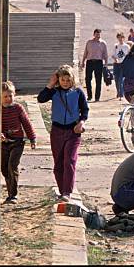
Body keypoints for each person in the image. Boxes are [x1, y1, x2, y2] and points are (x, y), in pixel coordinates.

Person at [37, 65, 89, 202]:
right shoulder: (54, 92)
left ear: (72, 79)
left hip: (73, 132)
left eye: (68, 80)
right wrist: (50, 83)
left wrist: (82, 122)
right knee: (58, 164)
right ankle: (62, 191)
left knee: (69, 161)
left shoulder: (78, 92)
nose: (65, 82)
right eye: (62, 80)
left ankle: (67, 192)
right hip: (57, 131)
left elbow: (85, 110)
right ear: (58, 79)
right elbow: (41, 99)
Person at [1, 81, 37, 205]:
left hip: (17, 142)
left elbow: (26, 123)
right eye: (5, 96)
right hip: (3, 143)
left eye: (10, 96)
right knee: (4, 169)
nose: (8, 99)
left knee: (12, 166)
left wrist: (32, 139)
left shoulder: (17, 108)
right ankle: (9, 191)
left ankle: (13, 195)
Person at [80, 29, 108, 102]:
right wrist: (83, 62)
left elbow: (105, 55)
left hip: (99, 62)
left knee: (98, 80)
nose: (98, 35)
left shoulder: (103, 43)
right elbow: (85, 53)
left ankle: (97, 97)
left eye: (99, 34)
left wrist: (106, 64)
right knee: (88, 79)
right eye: (96, 34)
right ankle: (89, 96)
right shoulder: (89, 42)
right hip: (89, 62)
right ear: (94, 34)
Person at [112, 32, 131, 101]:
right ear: (117, 38)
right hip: (116, 64)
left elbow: (129, 56)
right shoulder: (116, 46)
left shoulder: (127, 46)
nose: (120, 39)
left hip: (124, 65)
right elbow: (113, 55)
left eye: (122, 37)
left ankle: (121, 94)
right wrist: (115, 59)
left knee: (121, 80)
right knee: (116, 80)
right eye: (119, 37)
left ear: (124, 38)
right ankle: (118, 92)